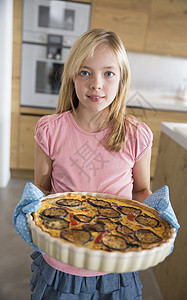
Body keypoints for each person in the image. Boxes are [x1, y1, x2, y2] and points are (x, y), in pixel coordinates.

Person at [32, 28, 154, 299]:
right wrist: (30, 210)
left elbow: (141, 191)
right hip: (63, 259)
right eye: (85, 72)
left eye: (108, 73)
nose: (96, 84)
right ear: (72, 77)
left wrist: (157, 214)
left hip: (115, 261)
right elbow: (41, 190)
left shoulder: (136, 135)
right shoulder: (49, 131)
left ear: (122, 79)